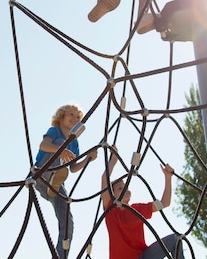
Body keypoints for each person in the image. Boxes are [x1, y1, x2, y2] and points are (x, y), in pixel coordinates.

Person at [34, 103, 98, 259]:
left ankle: (60, 256)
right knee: (59, 144)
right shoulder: (55, 131)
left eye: (78, 117)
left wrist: (87, 160)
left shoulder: (74, 143)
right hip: (42, 173)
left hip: (57, 184)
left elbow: (73, 167)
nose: (74, 119)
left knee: (68, 222)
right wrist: (61, 150)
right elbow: (43, 145)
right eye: (71, 115)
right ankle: (53, 177)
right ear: (61, 116)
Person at [101, 145, 183, 259]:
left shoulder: (137, 209)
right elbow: (104, 179)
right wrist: (114, 159)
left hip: (143, 257)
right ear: (112, 194)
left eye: (126, 186)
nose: (126, 189)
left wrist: (168, 178)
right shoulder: (111, 210)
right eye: (120, 188)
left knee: (176, 240)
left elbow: (164, 203)